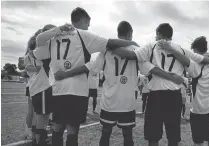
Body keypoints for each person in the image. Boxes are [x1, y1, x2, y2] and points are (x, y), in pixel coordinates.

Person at [53, 21, 183, 146]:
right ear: (130, 34)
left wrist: (66, 74)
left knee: (105, 133)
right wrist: (170, 76)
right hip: (127, 102)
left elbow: (89, 67)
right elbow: (149, 70)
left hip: (109, 101)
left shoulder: (106, 50)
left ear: (118, 33)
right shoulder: (136, 50)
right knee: (127, 135)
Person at [30, 7, 141, 146]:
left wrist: (55, 31)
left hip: (58, 89)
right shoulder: (84, 35)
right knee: (72, 130)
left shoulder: (54, 37)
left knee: (57, 128)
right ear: (82, 20)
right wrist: (131, 43)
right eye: (88, 23)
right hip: (78, 90)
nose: (89, 26)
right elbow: (110, 43)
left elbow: (37, 51)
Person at [111, 23, 209, 146]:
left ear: (159, 34)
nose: (155, 38)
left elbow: (130, 55)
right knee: (173, 136)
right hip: (174, 97)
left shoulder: (151, 46)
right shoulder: (181, 49)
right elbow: (203, 59)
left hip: (156, 96)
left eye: (156, 35)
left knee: (153, 137)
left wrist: (110, 48)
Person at [158, 36, 209, 146]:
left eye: (194, 51)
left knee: (198, 142)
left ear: (196, 51)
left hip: (200, 108)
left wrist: (170, 49)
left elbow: (184, 59)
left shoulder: (196, 65)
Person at [24, 24, 56, 146]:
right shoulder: (45, 48)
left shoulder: (35, 49)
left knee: (37, 114)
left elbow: (27, 66)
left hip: (35, 86)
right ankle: (39, 141)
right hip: (42, 87)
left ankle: (35, 136)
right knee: (43, 117)